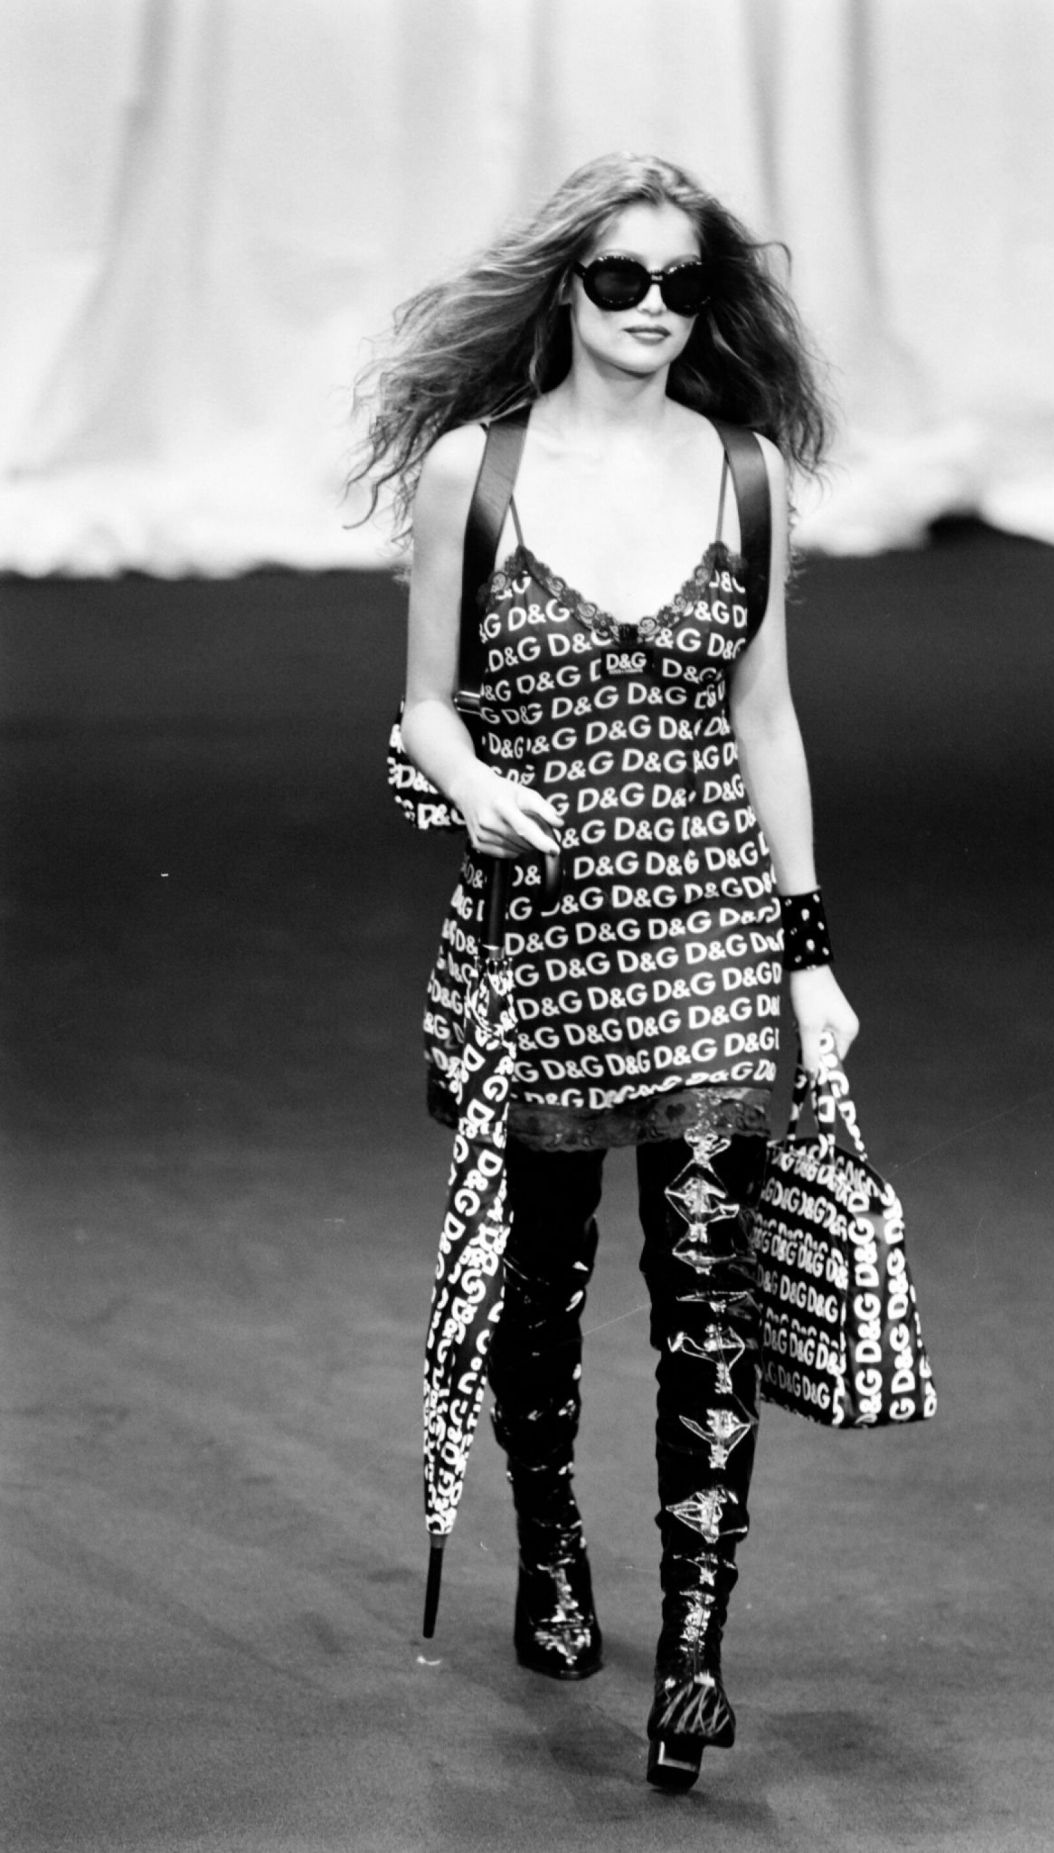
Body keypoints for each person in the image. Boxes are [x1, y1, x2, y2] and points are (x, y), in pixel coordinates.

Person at [356, 153, 858, 1791]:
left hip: (709, 919)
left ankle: (696, 1651)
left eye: (681, 285)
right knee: (544, 1284)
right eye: (620, 278)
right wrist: (471, 780)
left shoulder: (746, 473)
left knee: (708, 1288)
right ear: (565, 289)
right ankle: (552, 1537)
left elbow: (764, 715)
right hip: (544, 935)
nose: (651, 308)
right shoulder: (476, 471)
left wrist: (806, 951)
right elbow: (426, 700)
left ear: (714, 306)